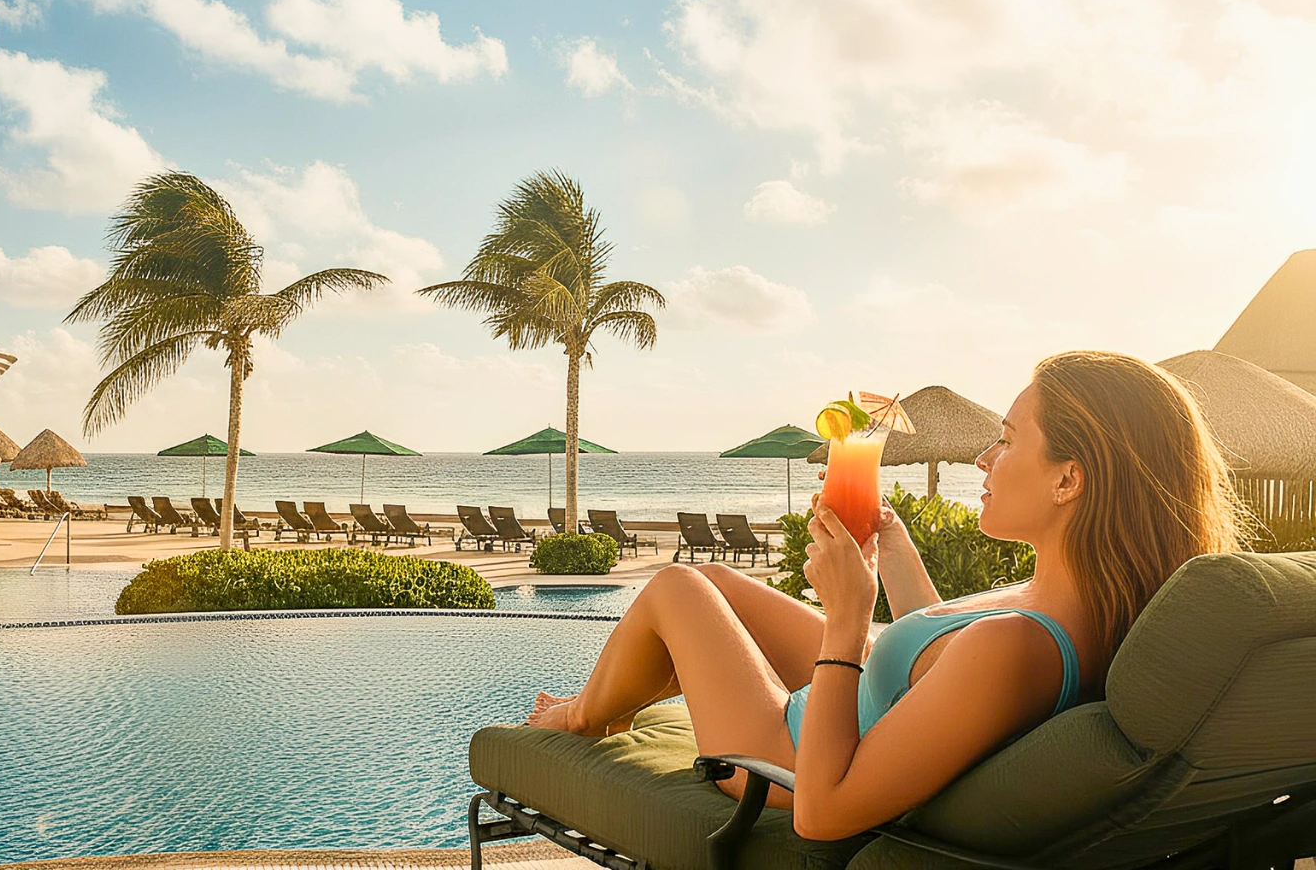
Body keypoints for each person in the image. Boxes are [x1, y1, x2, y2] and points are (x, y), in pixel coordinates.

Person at [526, 351, 1246, 841]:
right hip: (857, 706)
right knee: (715, 583)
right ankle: (603, 705)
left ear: (1070, 479)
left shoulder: (1019, 645)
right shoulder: (1068, 604)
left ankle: (585, 718)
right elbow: (937, 671)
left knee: (680, 585)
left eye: (1006, 439)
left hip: (795, 755)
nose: (982, 458)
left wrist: (846, 619)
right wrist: (893, 550)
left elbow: (825, 810)